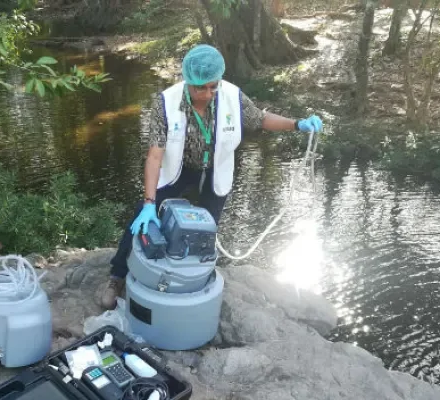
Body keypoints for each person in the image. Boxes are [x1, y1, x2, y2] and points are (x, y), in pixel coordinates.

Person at [99, 44, 323, 310]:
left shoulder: (232, 96)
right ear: (188, 80)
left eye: (213, 87)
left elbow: (260, 119)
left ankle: (193, 281)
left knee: (206, 231)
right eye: (200, 88)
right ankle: (117, 276)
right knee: (142, 219)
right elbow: (155, 156)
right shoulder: (165, 103)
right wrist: (150, 203)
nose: (207, 94)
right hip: (178, 170)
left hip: (215, 171)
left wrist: (297, 124)